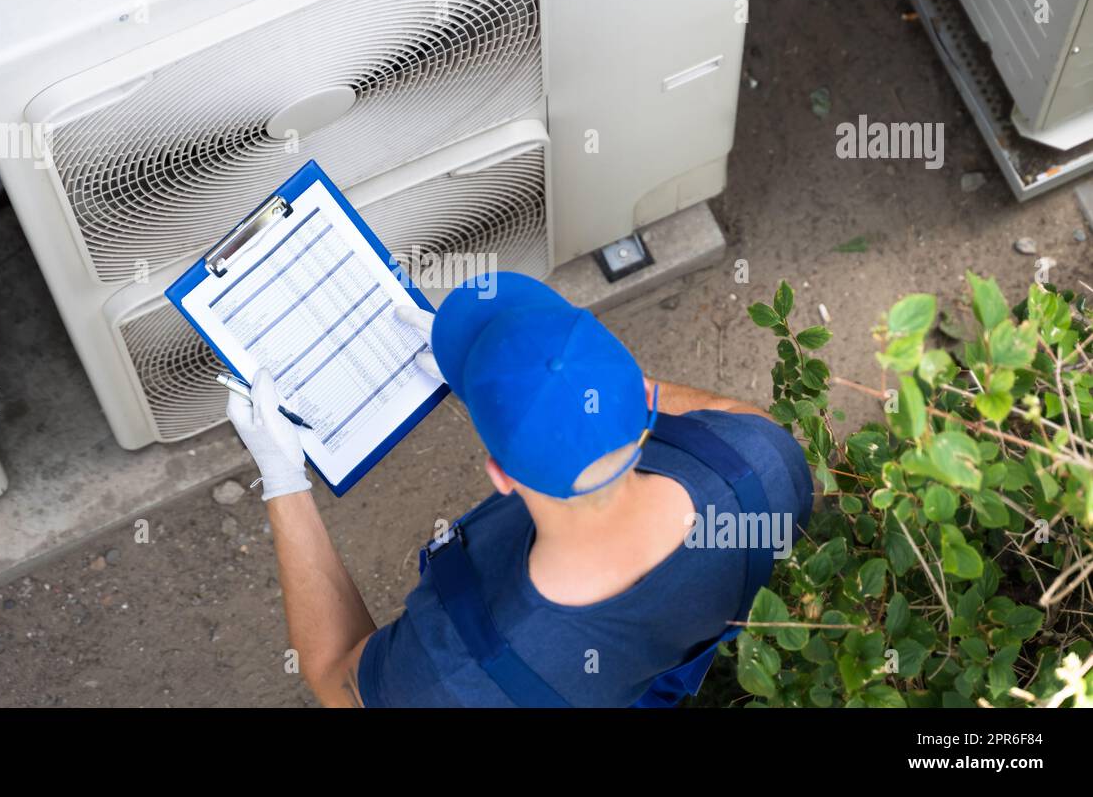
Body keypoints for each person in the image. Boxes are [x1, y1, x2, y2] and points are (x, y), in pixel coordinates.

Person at [227, 272, 813, 707]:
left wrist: (283, 478)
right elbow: (728, 414)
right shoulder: (762, 465)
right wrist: (564, 389)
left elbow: (335, 674)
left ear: (500, 475)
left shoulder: (449, 672)